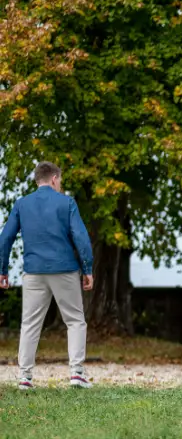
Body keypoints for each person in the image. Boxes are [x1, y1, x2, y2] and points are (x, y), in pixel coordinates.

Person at [0, 161, 94, 389]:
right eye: (59, 180)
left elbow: (5, 239)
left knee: (30, 323)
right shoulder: (67, 202)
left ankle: (24, 377)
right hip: (64, 270)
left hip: (33, 272)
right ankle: (76, 374)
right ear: (54, 178)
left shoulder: (22, 204)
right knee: (75, 321)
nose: (60, 185)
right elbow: (80, 238)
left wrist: (2, 270)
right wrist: (87, 269)